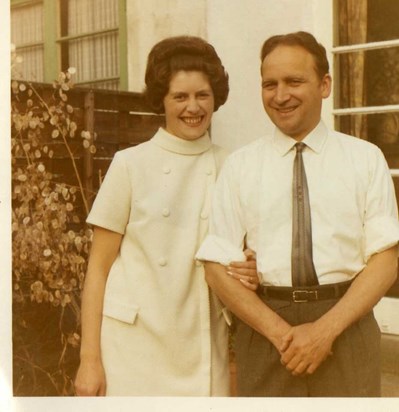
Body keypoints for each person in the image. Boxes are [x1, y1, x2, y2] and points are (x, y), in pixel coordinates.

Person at [196, 31, 399, 397]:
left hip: (346, 326)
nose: (280, 95)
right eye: (269, 84)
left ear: (325, 85)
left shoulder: (365, 159)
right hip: (266, 333)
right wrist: (281, 334)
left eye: (294, 81)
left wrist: (324, 332)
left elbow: (386, 259)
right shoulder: (240, 166)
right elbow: (215, 266)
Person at [74, 35, 258, 397]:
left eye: (202, 95)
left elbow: (243, 255)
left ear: (216, 98)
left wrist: (250, 266)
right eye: (180, 96)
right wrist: (89, 359)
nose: (193, 107)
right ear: (162, 100)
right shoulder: (129, 164)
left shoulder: (232, 166)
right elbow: (98, 270)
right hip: (131, 346)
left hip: (202, 344)